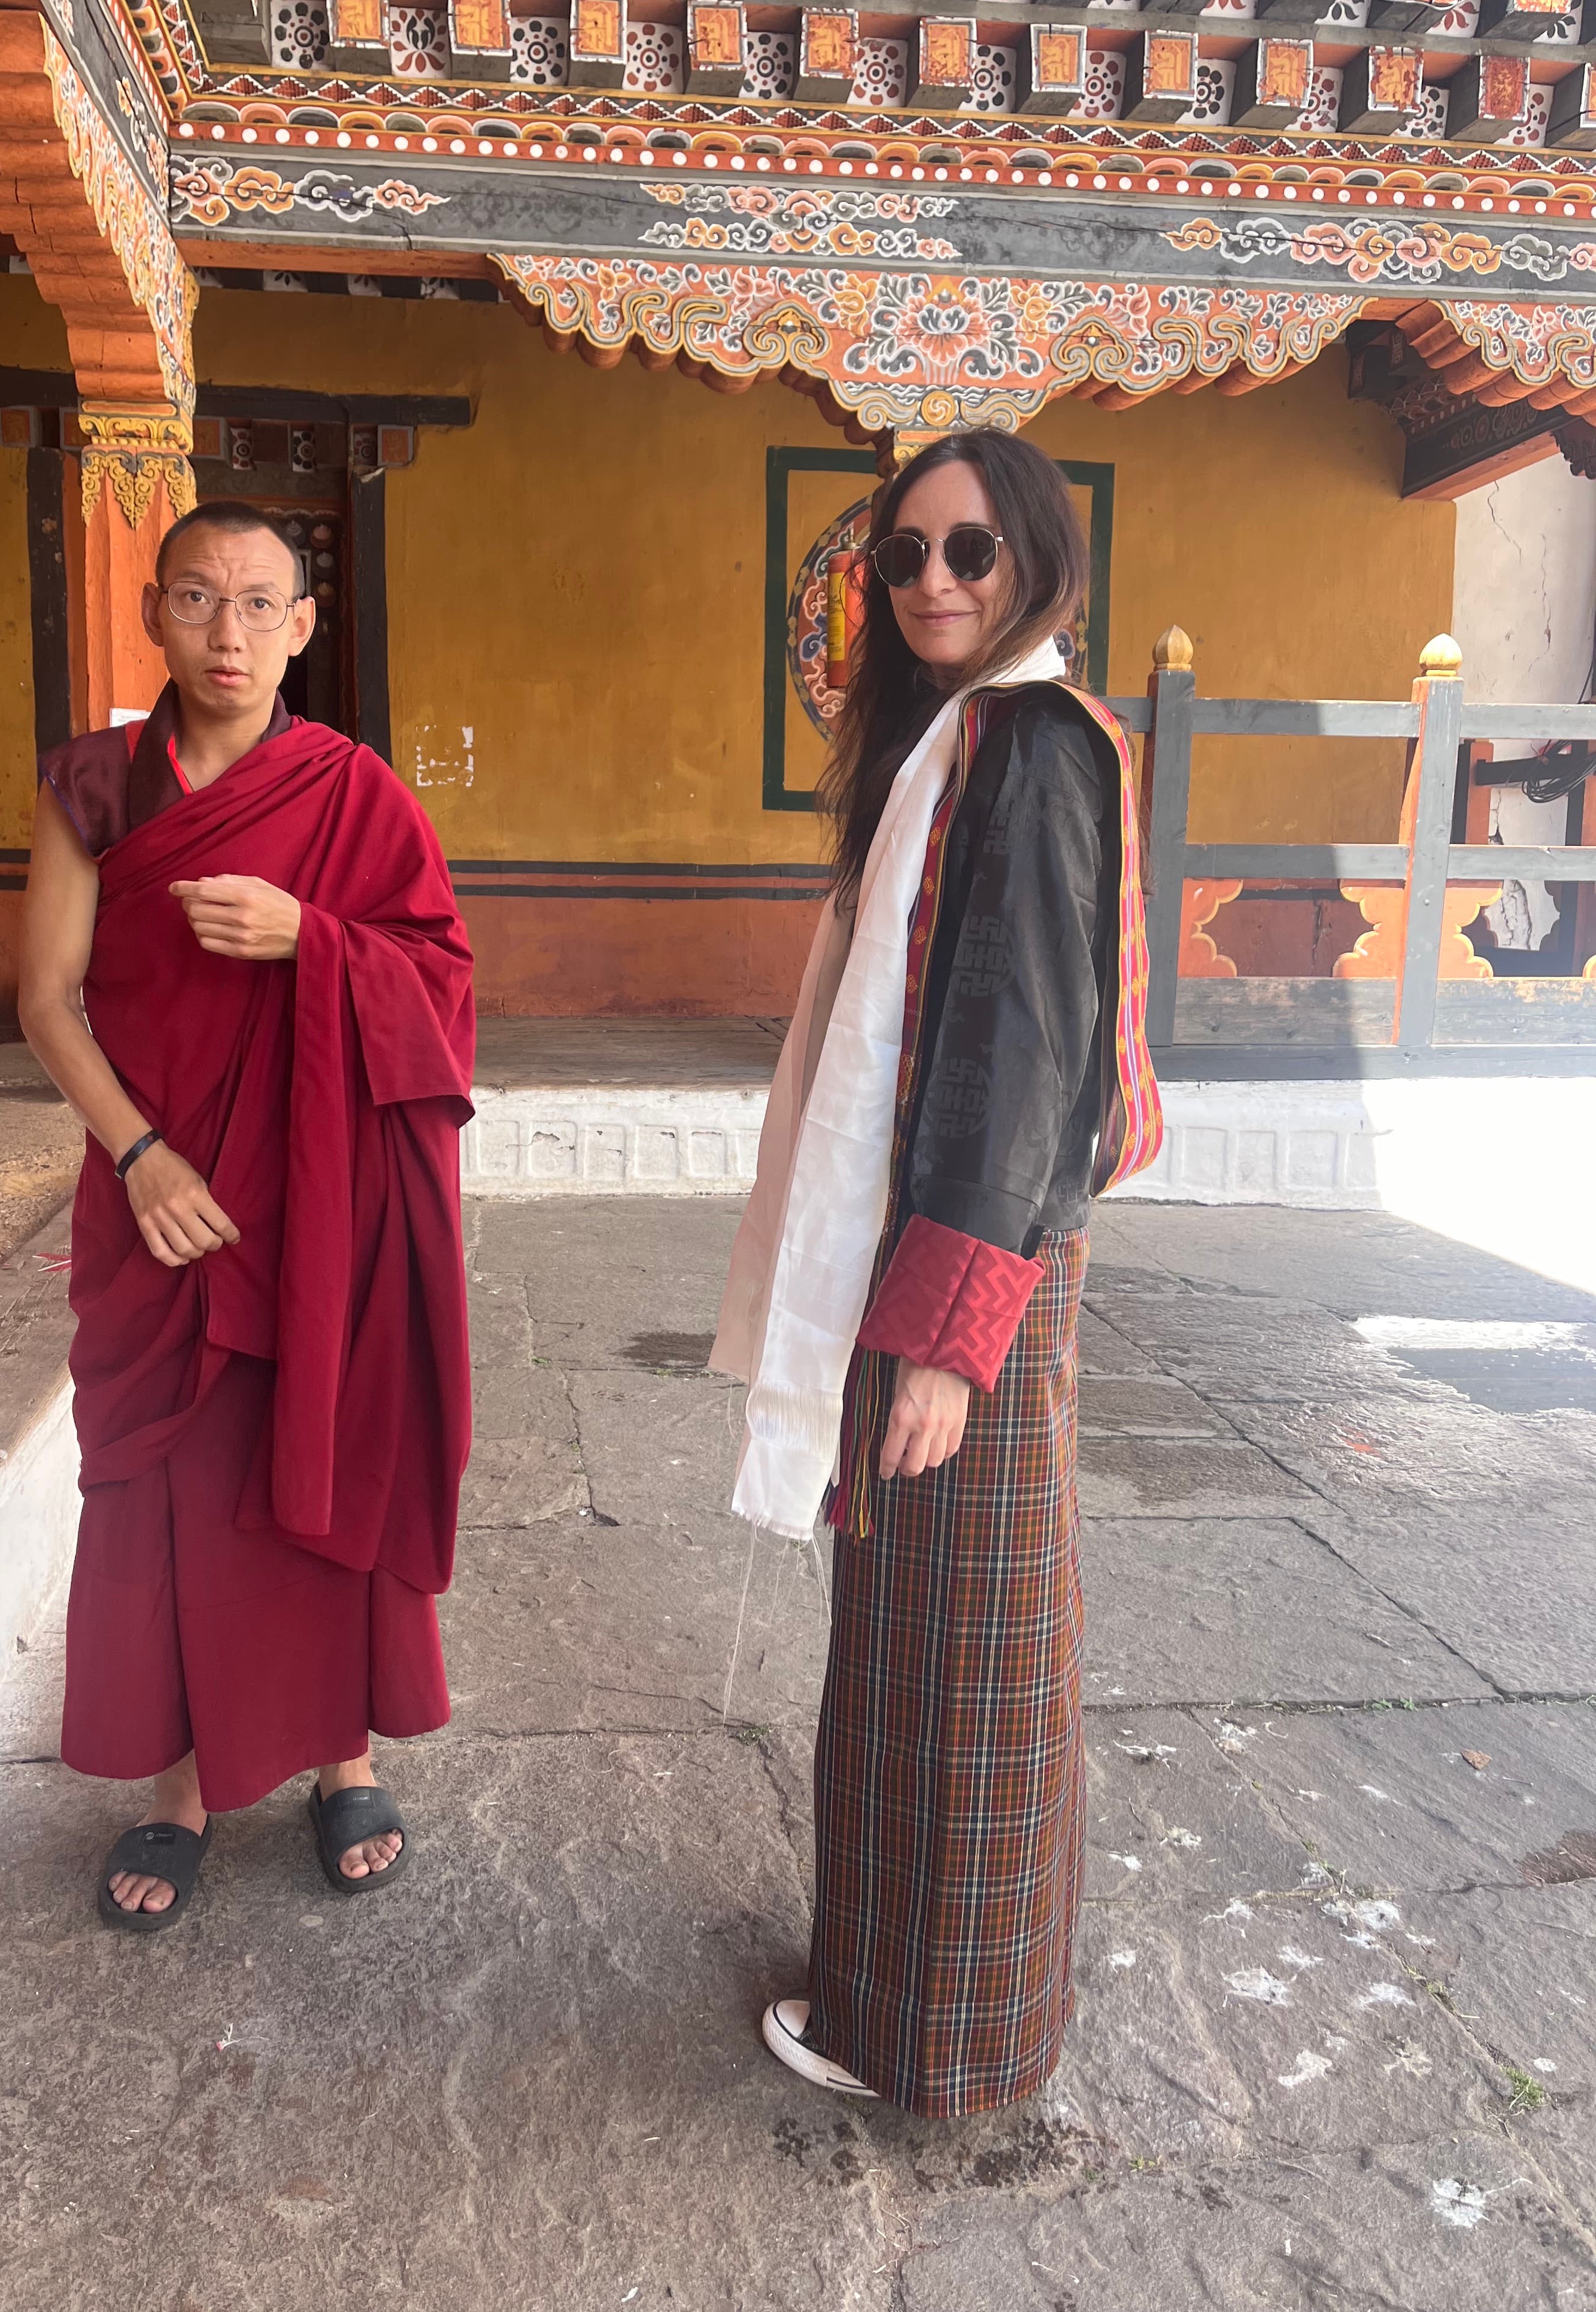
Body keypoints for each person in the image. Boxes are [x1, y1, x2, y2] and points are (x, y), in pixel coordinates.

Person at [711, 430, 1161, 2116]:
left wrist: (946, 1338)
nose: (934, 583)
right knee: (942, 1636)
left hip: (963, 1275)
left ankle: (919, 2039)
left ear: (1037, 556)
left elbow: (1020, 1046)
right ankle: (949, 2012)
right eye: (901, 556)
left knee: (952, 1655)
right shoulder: (962, 740)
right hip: (953, 1261)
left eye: (971, 549)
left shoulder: (1027, 746)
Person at [19, 499, 475, 1932]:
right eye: (199, 599)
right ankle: (182, 1784)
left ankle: (344, 1759)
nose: (230, 632)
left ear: (303, 626)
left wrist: (311, 940)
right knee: (163, 1481)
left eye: (260, 603)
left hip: (316, 1199)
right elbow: (46, 1002)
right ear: (153, 612)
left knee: (321, 1449)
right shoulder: (96, 786)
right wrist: (141, 1157)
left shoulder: (354, 793)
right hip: (159, 1203)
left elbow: (444, 985)